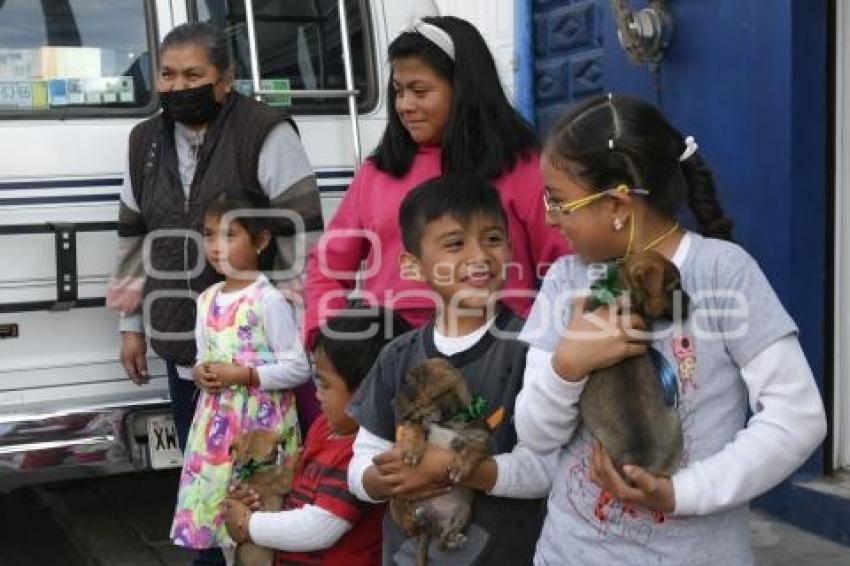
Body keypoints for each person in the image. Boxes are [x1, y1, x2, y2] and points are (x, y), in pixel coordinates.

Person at [515, 93, 827, 565]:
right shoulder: (566, 279)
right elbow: (535, 437)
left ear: (618, 203)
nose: (548, 217)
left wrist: (680, 492)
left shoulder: (723, 273)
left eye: (559, 201)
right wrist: (567, 365)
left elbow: (797, 418)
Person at [106, 22, 323, 455]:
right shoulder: (143, 140)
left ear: (225, 81)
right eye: (168, 75)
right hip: (180, 336)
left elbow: (304, 234)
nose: (177, 86)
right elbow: (133, 234)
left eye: (192, 76)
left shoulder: (264, 130)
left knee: (260, 470)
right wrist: (130, 326)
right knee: (201, 463)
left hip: (255, 347)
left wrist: (302, 328)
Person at [302, 16, 570, 348]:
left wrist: (546, 349)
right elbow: (328, 264)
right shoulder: (378, 172)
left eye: (420, 91)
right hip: (388, 354)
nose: (404, 106)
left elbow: (566, 267)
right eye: (398, 92)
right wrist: (329, 339)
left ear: (463, 89)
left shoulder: (521, 167)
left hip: (496, 356)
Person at [347, 175, 552, 565]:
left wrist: (446, 470)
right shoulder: (397, 355)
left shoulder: (534, 349)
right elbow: (359, 466)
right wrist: (387, 478)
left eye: (492, 239)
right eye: (455, 244)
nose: (479, 256)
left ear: (511, 248)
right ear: (411, 266)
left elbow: (545, 469)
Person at [170, 194, 311, 562]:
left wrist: (247, 374)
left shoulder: (267, 300)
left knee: (259, 517)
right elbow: (205, 354)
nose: (216, 246)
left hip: (260, 430)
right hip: (217, 429)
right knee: (221, 517)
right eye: (209, 235)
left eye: (229, 235)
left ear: (261, 241)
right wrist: (201, 373)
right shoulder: (207, 299)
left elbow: (298, 367)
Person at [223, 305, 412, 566]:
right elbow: (294, 492)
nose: (317, 394)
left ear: (367, 391)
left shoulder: (364, 453)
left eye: (324, 383)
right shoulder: (324, 427)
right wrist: (256, 500)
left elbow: (320, 527)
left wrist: (248, 523)